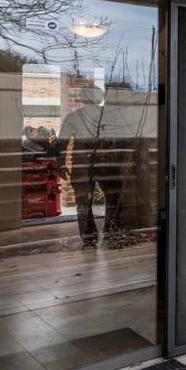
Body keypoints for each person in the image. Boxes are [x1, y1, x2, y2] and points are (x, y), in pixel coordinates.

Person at [58, 85, 130, 250]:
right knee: (100, 200)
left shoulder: (106, 116)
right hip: (92, 163)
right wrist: (61, 163)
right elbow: (62, 143)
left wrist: (61, 164)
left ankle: (96, 235)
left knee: (96, 201)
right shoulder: (103, 116)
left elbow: (62, 143)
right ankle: (103, 233)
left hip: (98, 163)